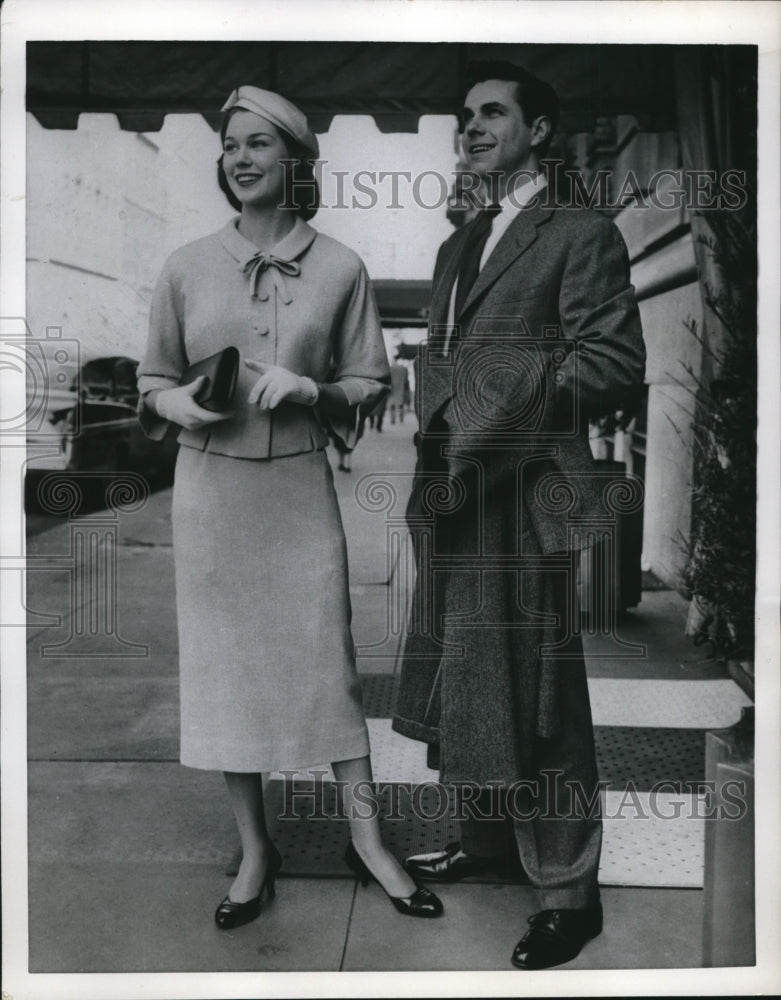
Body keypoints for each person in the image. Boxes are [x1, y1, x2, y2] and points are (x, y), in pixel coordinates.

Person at [137, 85, 442, 929]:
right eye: (231, 145)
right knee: (226, 671)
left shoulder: (341, 266)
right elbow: (151, 377)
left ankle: (370, 842)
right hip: (210, 495)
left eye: (258, 145)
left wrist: (312, 386)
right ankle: (255, 851)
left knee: (326, 663)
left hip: (298, 488)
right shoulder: (185, 266)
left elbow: (370, 381)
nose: (240, 158)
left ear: (294, 162)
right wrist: (173, 407)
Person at [393, 61, 645, 968]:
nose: (471, 126)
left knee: (544, 701)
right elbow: (443, 364)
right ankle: (488, 844)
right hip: (456, 494)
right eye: (463, 116)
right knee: (467, 676)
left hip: (527, 494)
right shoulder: (458, 245)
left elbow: (610, 364)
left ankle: (568, 894)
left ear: (538, 132)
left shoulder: (579, 231)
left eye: (492, 113)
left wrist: (489, 411)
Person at [388, 357, 410, 424]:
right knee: (401, 404)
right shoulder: (404, 369)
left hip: (392, 389)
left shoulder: (390, 368)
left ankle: (393, 419)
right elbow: (406, 380)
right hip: (401, 388)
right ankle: (401, 418)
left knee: (392, 405)